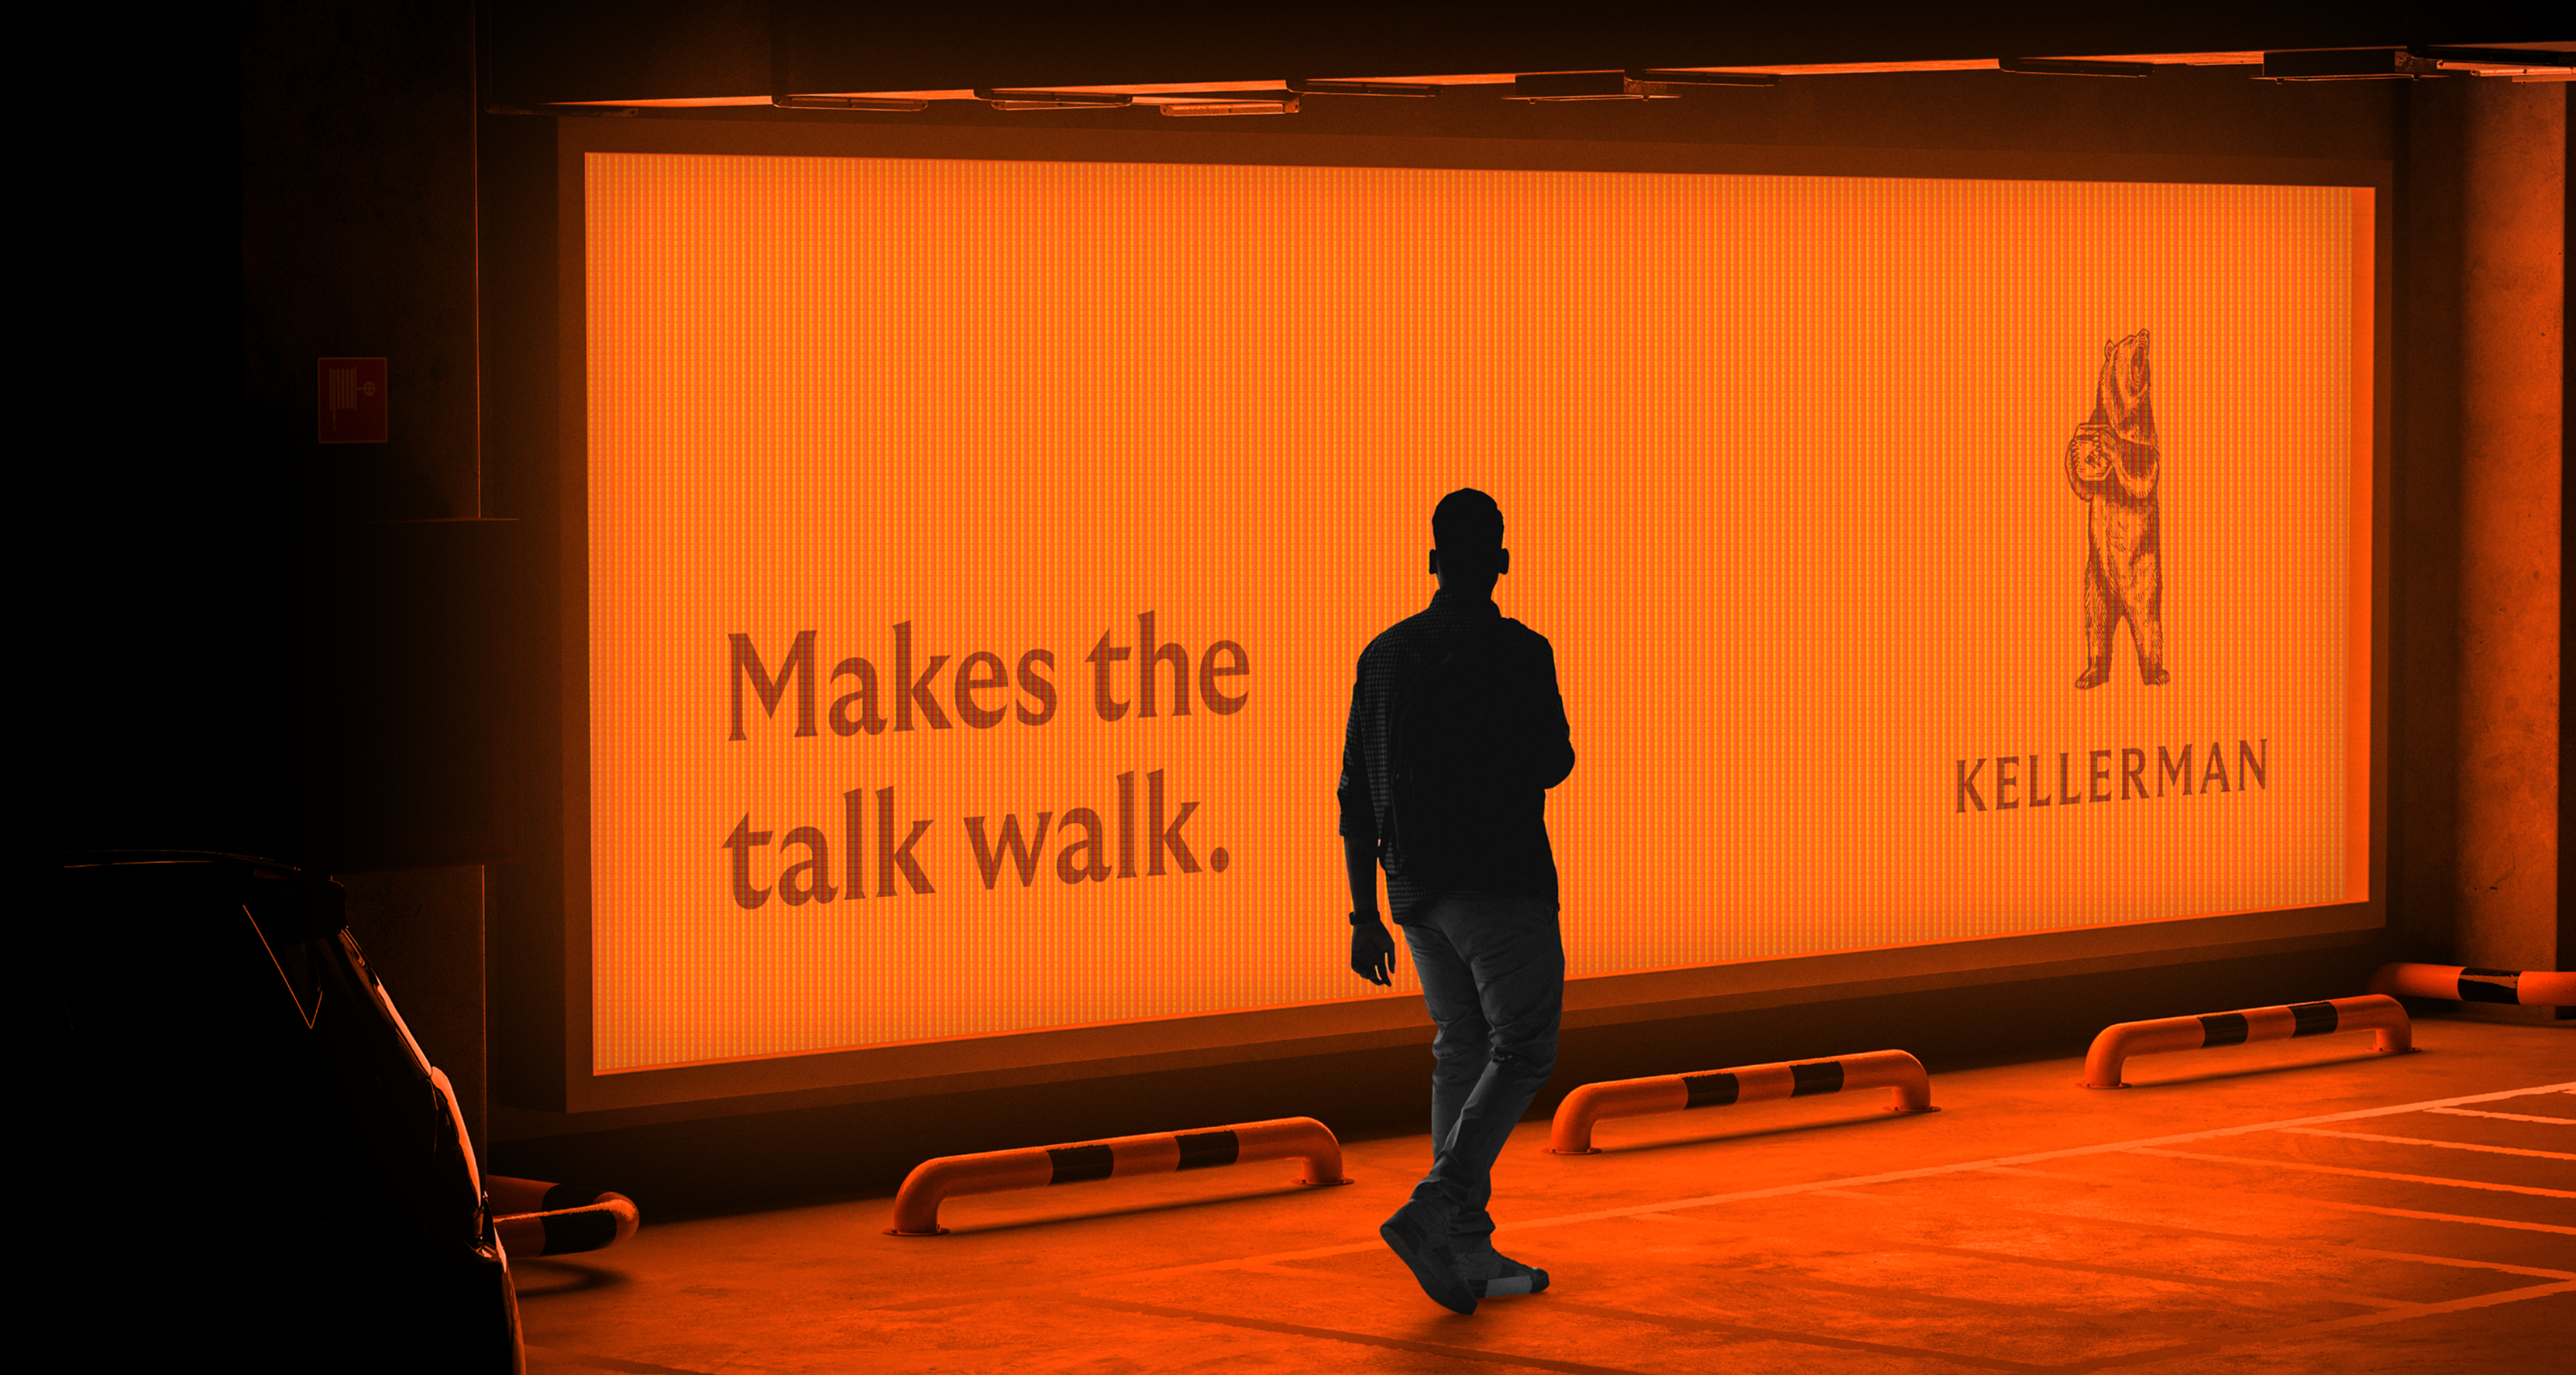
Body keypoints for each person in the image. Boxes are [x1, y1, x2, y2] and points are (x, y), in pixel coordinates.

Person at [1337, 487, 1576, 1315]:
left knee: (1461, 1047)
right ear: (1500, 559)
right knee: (1523, 1049)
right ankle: (1440, 1203)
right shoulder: (1519, 650)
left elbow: (1353, 792)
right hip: (1499, 881)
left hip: (1412, 892)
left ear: (1433, 559)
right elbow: (1553, 761)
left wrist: (1364, 909)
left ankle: (1465, 1249)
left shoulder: (1384, 654)